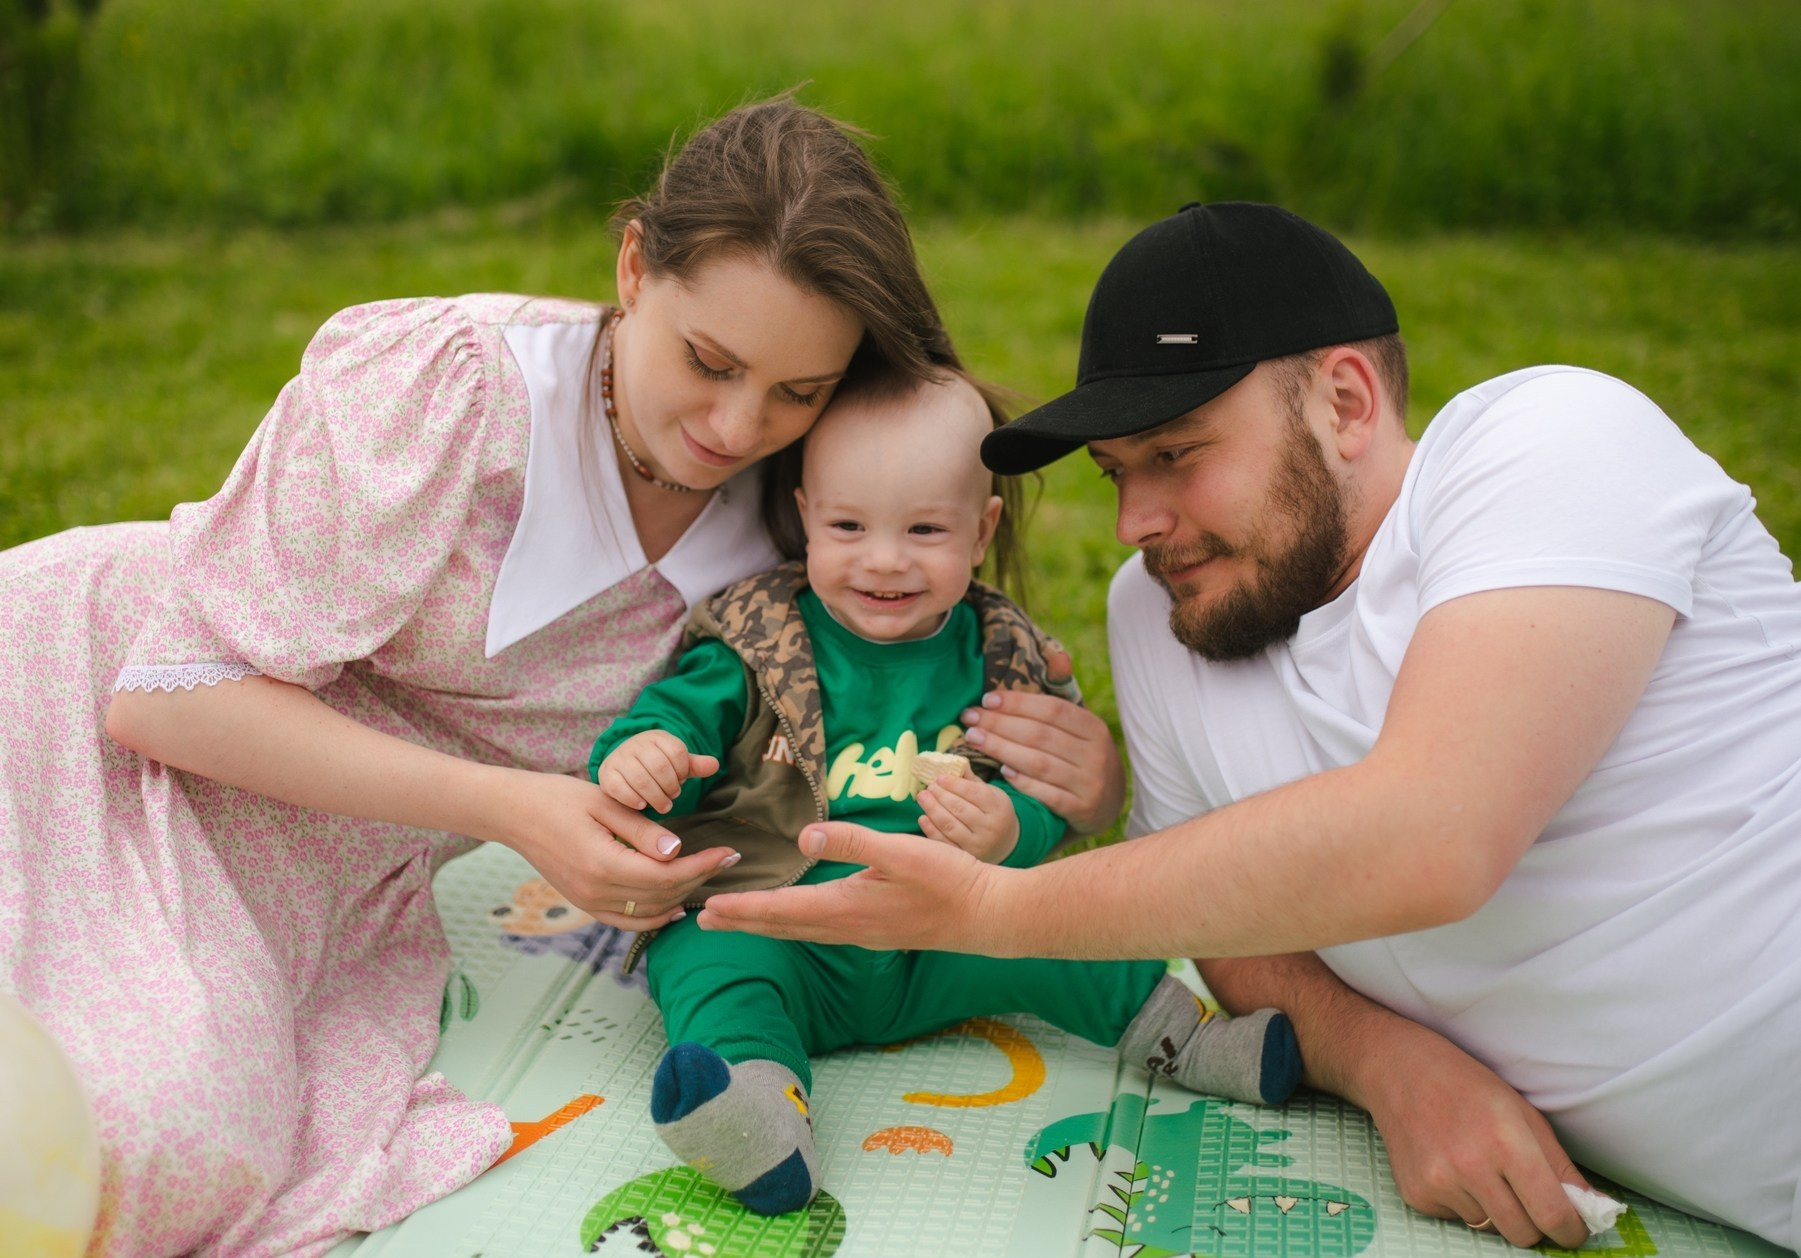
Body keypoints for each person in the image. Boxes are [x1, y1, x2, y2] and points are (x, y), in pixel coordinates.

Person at [0, 99, 1113, 1256]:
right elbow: (164, 692)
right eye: (709, 360)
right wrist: (514, 808)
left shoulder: (811, 516)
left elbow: (895, 707)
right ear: (633, 268)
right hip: (71, 718)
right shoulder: (453, 390)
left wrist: (1077, 775)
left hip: (306, 864)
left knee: (169, 1147)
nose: (738, 425)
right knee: (106, 1139)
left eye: (799, 390)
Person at [696, 202, 1801, 1253]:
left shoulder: (1548, 443)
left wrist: (996, 909)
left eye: (1175, 454)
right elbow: (1228, 930)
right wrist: (1386, 1064)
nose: (1134, 524)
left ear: (1345, 403)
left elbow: (1433, 833)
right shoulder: (1162, 613)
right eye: (1115, 472)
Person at [588, 373, 1301, 1215]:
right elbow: (669, 715)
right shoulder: (758, 641)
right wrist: (643, 751)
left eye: (925, 529)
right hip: (785, 927)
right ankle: (755, 1106)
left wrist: (1011, 833)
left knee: (1062, 926)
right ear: (806, 516)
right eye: (848, 527)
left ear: (980, 531)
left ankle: (1190, 1040)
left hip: (945, 934)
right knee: (708, 955)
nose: (884, 559)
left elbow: (1044, 800)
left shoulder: (999, 658)